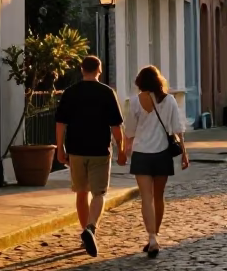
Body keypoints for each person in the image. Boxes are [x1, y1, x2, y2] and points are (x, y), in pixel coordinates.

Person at [55, 55, 124, 257]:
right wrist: (121, 148)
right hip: (99, 150)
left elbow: (61, 123)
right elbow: (116, 126)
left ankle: (85, 229)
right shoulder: (106, 92)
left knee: (81, 192)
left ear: (81, 69)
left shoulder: (70, 93)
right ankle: (90, 228)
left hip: (76, 150)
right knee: (99, 193)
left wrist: (60, 147)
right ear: (99, 70)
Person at [120, 65, 189, 258]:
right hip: (162, 153)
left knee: (146, 198)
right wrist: (184, 153)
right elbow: (178, 128)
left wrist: (126, 148)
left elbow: (130, 131)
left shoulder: (134, 102)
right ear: (159, 81)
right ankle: (155, 236)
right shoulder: (170, 101)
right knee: (158, 197)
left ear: (140, 83)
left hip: (142, 153)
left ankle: (152, 238)